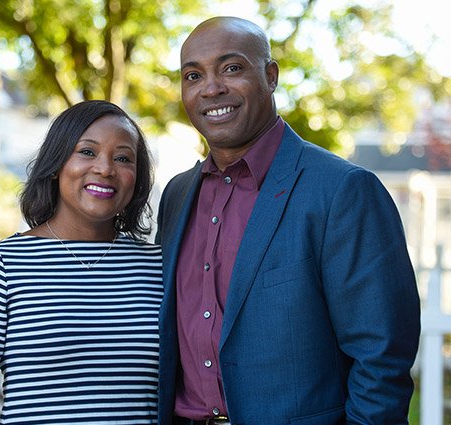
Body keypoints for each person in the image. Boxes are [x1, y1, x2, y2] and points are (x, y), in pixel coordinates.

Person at [155, 16, 421, 425]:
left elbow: (381, 359)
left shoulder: (342, 191)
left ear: (271, 76)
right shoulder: (177, 195)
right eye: (193, 75)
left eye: (232, 68)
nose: (211, 88)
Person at [0, 99, 163, 424]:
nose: (105, 168)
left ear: (137, 178)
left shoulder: (159, 267)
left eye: (123, 158)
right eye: (87, 152)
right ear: (57, 162)